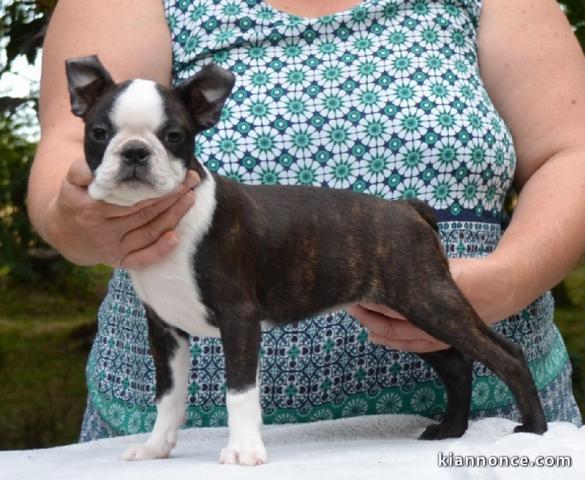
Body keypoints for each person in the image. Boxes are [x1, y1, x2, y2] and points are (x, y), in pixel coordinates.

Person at [29, 0, 585, 441]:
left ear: (201, 116)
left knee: (460, 336)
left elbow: (572, 149)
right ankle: (167, 430)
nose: (133, 151)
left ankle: (529, 421)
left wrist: (510, 276)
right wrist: (73, 217)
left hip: (405, 282)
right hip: (174, 443)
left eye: (169, 137)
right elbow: (59, 159)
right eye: (109, 136)